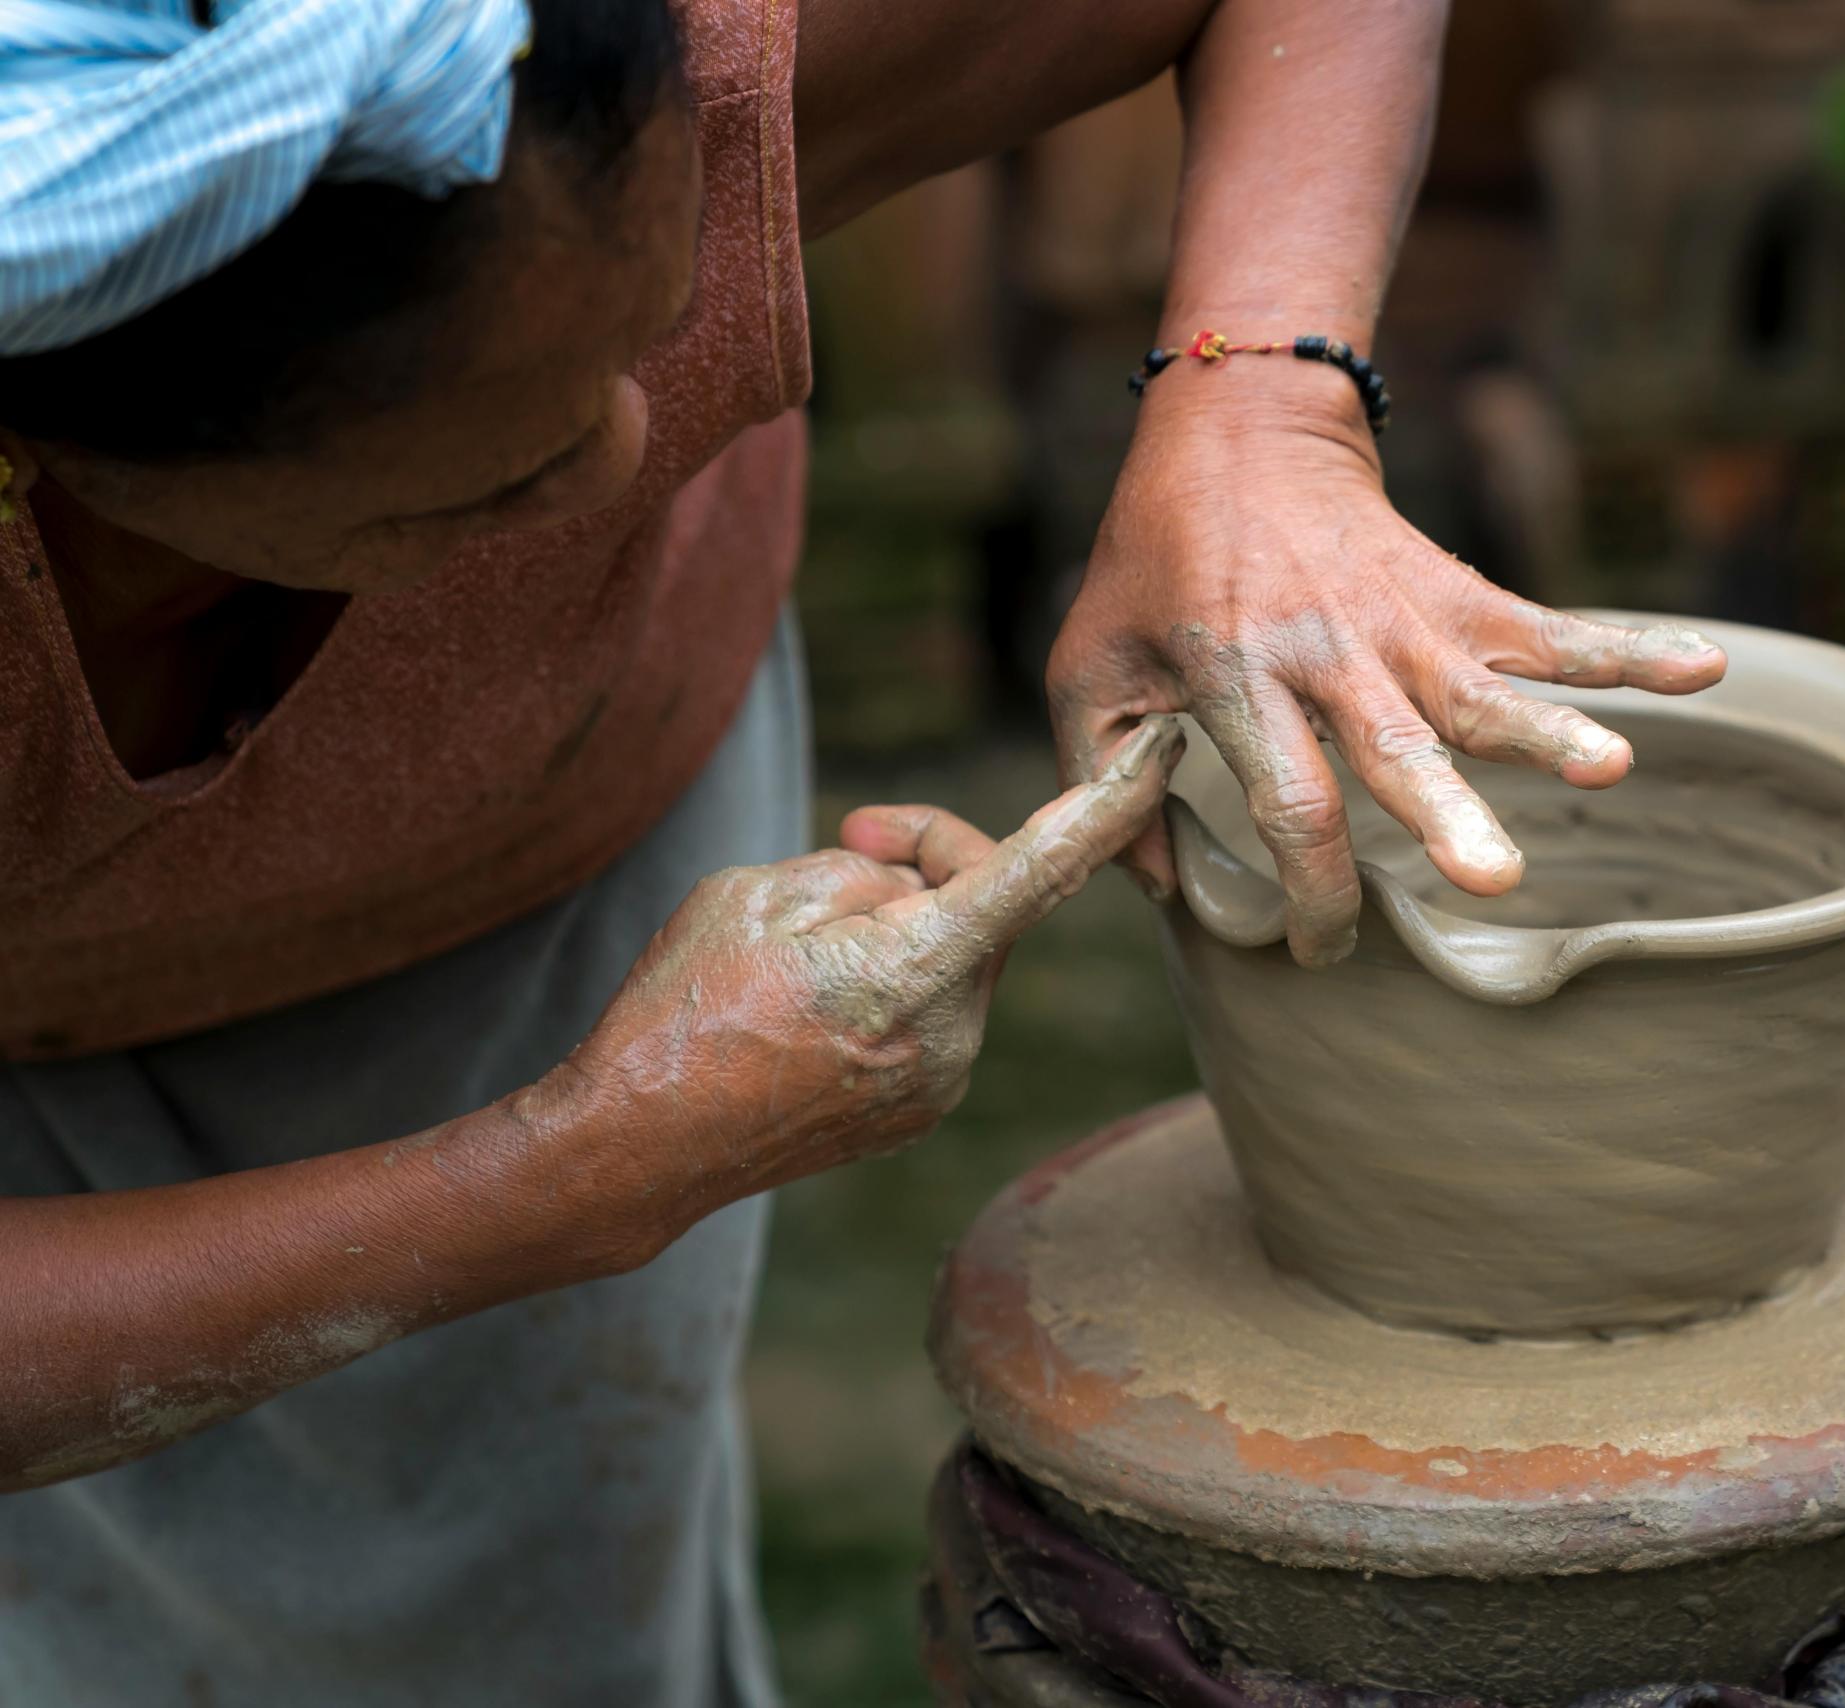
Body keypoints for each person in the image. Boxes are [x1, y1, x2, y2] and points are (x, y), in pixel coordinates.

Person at [0, 2, 1726, 1701]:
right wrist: (572, 1173)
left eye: (656, 328)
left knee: (564, 1597)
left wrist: (1264, 408)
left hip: (564, 798)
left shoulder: (597, 62)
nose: (625, 451)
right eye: (483, 481)